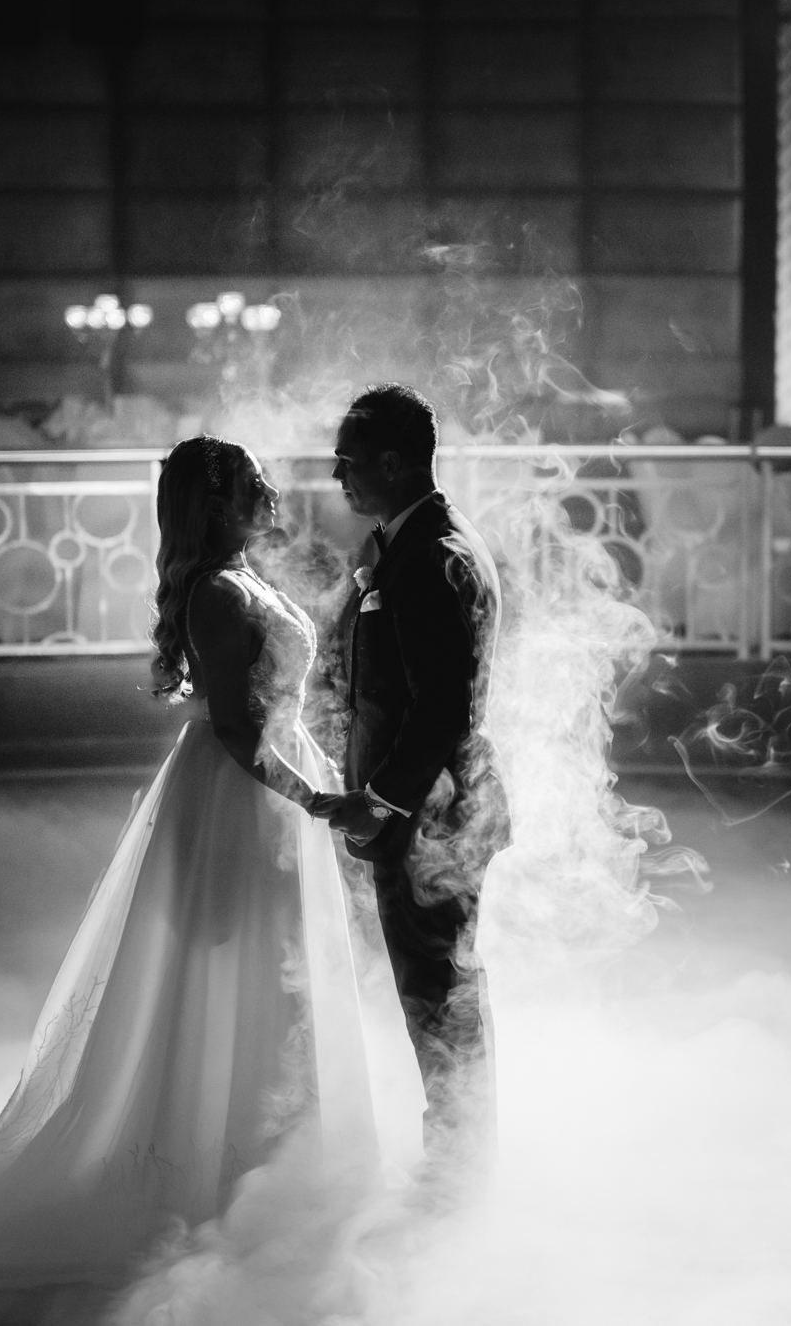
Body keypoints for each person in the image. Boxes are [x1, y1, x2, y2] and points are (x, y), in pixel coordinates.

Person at [0, 436, 389, 1300]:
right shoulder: (219, 593)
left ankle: (275, 1152)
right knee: (230, 970)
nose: (273, 492)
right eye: (254, 484)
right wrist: (311, 798)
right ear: (220, 500)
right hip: (242, 794)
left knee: (281, 970)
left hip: (271, 784)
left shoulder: (241, 579)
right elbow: (238, 731)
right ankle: (218, 1160)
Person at [319, 383, 509, 1170]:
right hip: (429, 811)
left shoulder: (430, 558)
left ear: (392, 463)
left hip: (430, 817)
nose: (338, 478)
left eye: (348, 462)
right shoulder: (418, 541)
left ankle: (458, 1170)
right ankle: (458, 1154)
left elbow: (441, 711)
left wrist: (380, 798)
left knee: (439, 994)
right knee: (438, 988)